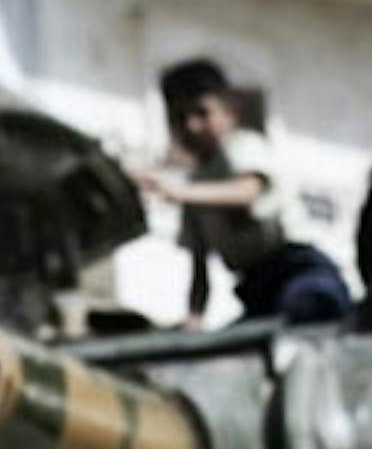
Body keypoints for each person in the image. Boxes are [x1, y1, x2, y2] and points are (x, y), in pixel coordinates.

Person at [135, 57, 352, 326]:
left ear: (231, 113)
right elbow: (199, 267)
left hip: (299, 270)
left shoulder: (242, 146)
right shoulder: (196, 186)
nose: (192, 126)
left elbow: (247, 191)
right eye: (180, 118)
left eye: (202, 113)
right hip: (256, 289)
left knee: (308, 306)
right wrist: (194, 318)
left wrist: (180, 192)